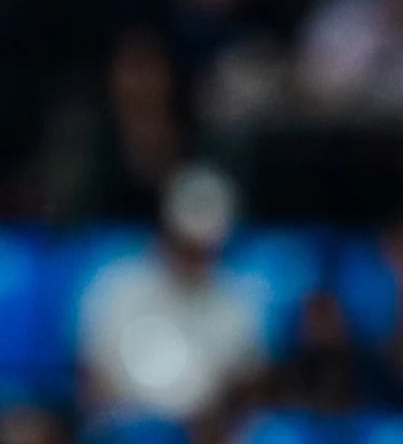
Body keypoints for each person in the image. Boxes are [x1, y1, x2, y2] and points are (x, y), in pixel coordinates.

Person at [77, 165, 265, 424]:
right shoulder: (116, 287)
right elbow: (94, 381)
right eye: (185, 245)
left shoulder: (238, 302)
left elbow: (243, 389)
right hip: (124, 433)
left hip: (205, 440)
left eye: (203, 248)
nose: (193, 256)